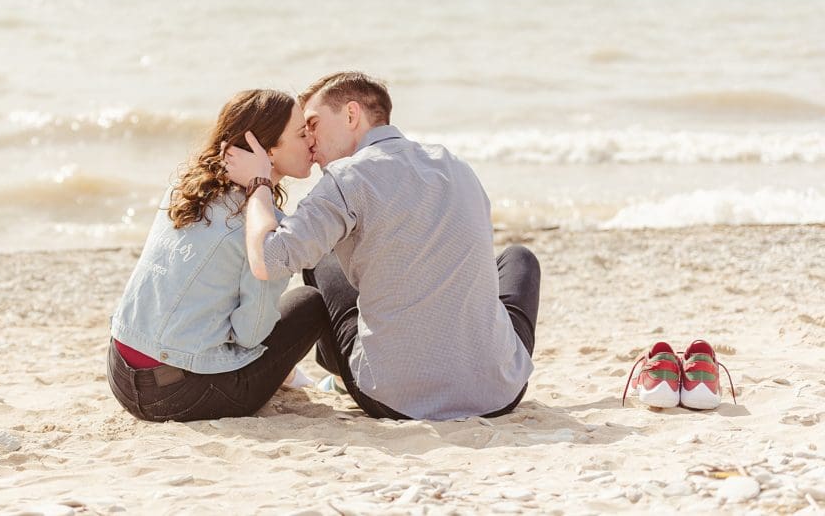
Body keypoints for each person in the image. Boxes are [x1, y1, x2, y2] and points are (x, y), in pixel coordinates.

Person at [223, 71, 541, 421]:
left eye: (313, 123)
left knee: (321, 257)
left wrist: (258, 183)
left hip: (393, 397)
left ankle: (338, 372)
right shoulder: (457, 166)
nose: (309, 140)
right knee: (518, 258)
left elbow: (269, 259)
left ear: (351, 115)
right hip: (498, 393)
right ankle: (485, 360)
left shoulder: (346, 179)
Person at [107, 89, 327, 422]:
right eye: (301, 134)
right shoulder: (266, 232)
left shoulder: (184, 188)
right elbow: (251, 336)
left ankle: (285, 375)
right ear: (264, 152)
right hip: (179, 395)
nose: (312, 140)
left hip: (120, 375)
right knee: (311, 303)